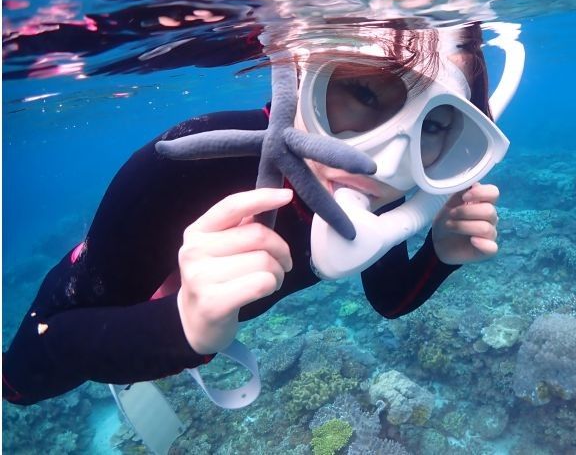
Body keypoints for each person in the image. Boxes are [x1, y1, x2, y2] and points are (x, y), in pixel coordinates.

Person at [2, 21, 508, 406]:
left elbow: (388, 296)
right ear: (305, 75)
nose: (387, 162)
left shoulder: (393, 183)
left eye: (438, 124)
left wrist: (440, 256)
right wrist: (179, 326)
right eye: (364, 92)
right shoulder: (186, 164)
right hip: (86, 315)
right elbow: (49, 344)